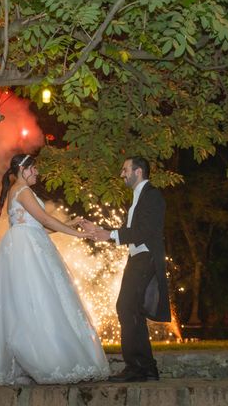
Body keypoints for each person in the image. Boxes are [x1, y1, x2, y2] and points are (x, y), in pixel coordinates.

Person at [0, 153, 109, 385]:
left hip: (28, 244)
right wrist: (79, 234)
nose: (37, 173)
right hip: (26, 252)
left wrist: (69, 224)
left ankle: (33, 360)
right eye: (33, 169)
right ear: (23, 169)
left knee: (32, 300)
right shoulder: (23, 191)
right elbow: (45, 219)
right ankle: (46, 359)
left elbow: (38, 228)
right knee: (36, 300)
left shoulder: (18, 191)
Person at [83, 156, 170, 382]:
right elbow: (131, 231)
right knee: (131, 310)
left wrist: (109, 234)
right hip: (137, 258)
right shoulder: (137, 197)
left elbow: (143, 231)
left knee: (126, 307)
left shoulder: (152, 195)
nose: (122, 174)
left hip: (146, 258)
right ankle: (146, 369)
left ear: (138, 171)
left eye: (125, 170)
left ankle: (136, 368)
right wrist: (103, 231)